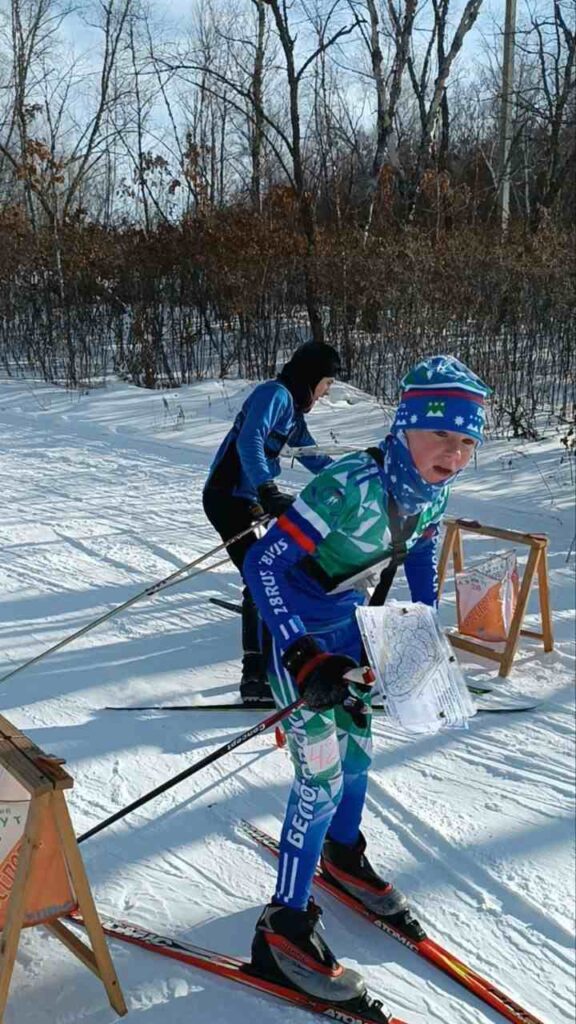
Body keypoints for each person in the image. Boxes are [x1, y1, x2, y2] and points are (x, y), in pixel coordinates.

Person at [242, 355, 491, 1008]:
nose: (455, 454)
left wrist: (418, 628)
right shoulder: (349, 485)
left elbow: (421, 547)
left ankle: (343, 855)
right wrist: (300, 653)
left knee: (358, 757)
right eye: (443, 435)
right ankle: (282, 927)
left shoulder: (431, 490)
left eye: (468, 442)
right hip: (298, 641)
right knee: (319, 778)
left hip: (350, 632)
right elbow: (264, 564)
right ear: (407, 426)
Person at [203, 341, 342, 705]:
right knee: (261, 579)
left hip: (247, 499)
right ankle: (255, 678)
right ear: (312, 376)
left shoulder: (293, 411)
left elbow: (314, 458)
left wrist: (354, 478)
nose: (326, 392)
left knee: (279, 571)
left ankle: (280, 656)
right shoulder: (275, 395)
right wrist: (267, 488)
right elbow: (250, 439)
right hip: (226, 496)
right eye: (327, 382)